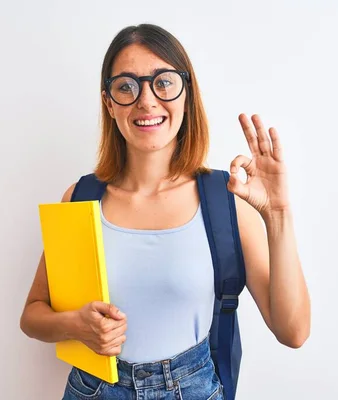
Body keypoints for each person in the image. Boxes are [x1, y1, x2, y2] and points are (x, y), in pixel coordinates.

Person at [20, 23, 311, 400]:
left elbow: (294, 332)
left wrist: (279, 213)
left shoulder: (224, 201)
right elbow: (32, 315)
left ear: (186, 94)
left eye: (164, 82)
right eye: (126, 85)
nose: (146, 100)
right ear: (109, 103)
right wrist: (74, 325)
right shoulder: (81, 197)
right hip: (93, 390)